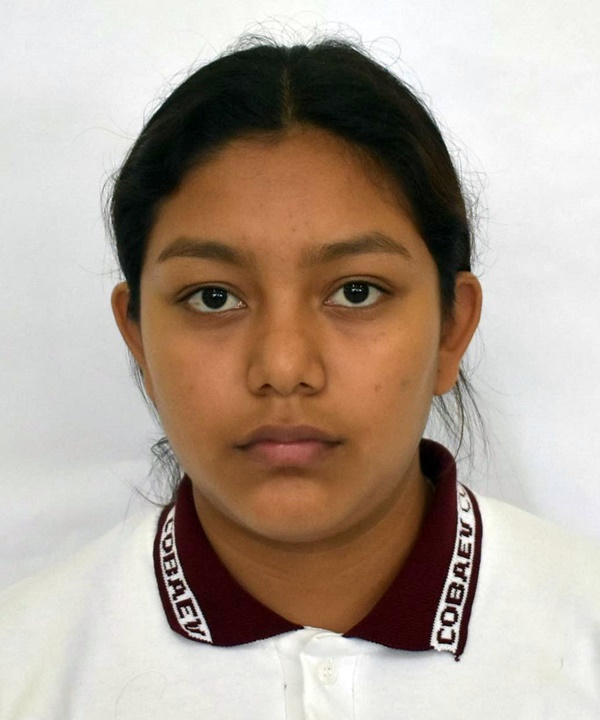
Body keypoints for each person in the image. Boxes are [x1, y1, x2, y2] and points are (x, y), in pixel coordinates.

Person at [1, 34, 599, 720]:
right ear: (138, 338)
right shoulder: (24, 669)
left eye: (356, 292)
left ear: (450, 329)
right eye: (214, 297)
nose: (284, 370)